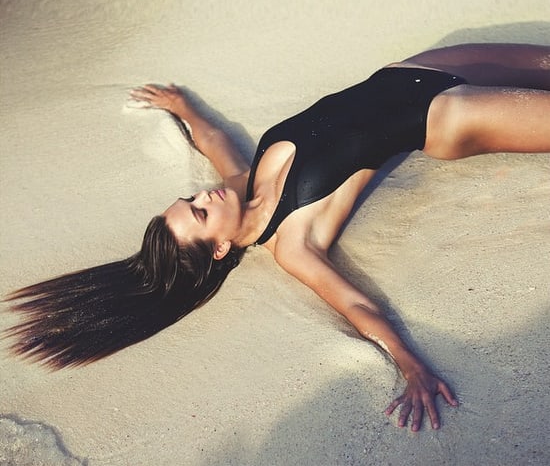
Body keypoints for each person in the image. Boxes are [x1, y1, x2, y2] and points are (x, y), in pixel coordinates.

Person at [5, 43, 550, 432]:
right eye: (198, 215)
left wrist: (180, 104)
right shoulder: (292, 242)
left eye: (190, 200)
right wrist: (408, 364)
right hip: (450, 117)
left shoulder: (241, 183)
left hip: (412, 69)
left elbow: (213, 139)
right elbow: (356, 303)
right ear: (219, 249)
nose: (204, 199)